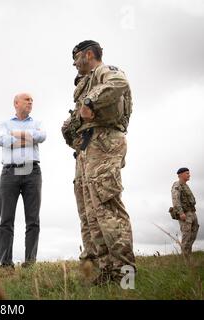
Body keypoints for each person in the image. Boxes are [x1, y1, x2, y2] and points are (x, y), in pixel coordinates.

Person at [71, 40, 135, 284]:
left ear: (89, 54)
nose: (75, 64)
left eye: (77, 58)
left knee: (108, 207)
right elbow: (79, 118)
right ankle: (108, 270)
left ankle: (126, 275)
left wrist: (89, 102)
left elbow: (120, 83)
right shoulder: (87, 81)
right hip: (89, 146)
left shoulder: (106, 72)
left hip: (106, 140)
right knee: (92, 212)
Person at [0, 93, 46, 269]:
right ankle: (6, 263)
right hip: (10, 172)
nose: (31, 102)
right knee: (6, 219)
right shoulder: (4, 123)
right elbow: (3, 140)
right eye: (27, 100)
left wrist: (16, 135)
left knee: (33, 219)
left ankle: (30, 262)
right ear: (16, 103)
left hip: (32, 171)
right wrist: (28, 137)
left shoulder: (37, 122)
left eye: (32, 100)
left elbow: (41, 137)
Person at [61, 75, 97, 265]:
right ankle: (90, 257)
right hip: (81, 160)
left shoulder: (98, 97)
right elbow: (66, 130)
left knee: (100, 211)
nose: (80, 86)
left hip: (97, 157)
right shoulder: (76, 111)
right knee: (85, 214)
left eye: (82, 82)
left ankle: (109, 261)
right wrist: (78, 144)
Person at [171, 168, 199, 257]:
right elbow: (175, 200)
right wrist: (181, 212)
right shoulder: (177, 185)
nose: (189, 175)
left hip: (192, 212)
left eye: (189, 173)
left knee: (193, 234)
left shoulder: (185, 185)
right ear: (180, 175)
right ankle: (185, 257)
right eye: (187, 173)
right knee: (186, 235)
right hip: (185, 213)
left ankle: (188, 254)